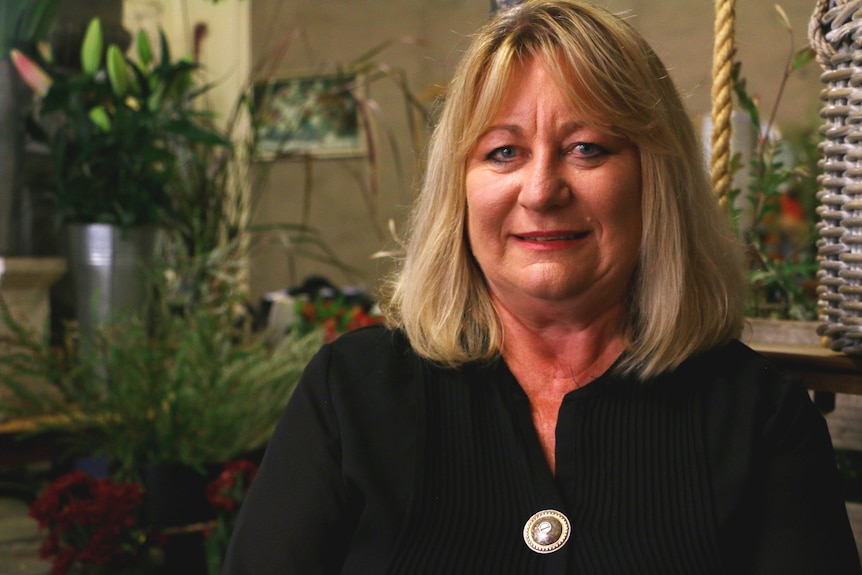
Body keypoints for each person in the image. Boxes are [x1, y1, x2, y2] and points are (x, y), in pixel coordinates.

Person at [223, 1, 862, 573]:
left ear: (654, 181)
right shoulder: (352, 395)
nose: (541, 190)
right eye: (503, 152)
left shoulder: (758, 417)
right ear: (459, 189)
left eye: (586, 148)